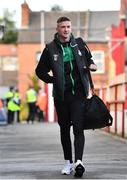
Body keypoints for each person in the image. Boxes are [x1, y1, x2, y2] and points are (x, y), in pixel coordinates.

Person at [35, 16, 97, 177]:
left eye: (68, 26)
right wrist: (52, 80)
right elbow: (39, 71)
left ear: (71, 27)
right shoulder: (50, 49)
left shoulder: (80, 43)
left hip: (79, 94)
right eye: (63, 27)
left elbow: (89, 59)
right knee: (64, 129)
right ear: (57, 29)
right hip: (62, 96)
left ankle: (79, 162)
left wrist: (92, 65)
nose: (66, 29)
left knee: (78, 127)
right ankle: (68, 162)